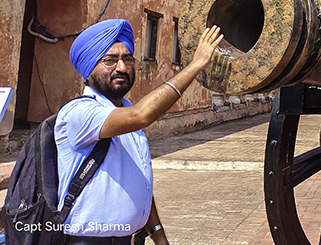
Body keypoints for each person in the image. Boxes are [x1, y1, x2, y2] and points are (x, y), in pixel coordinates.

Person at [56, 19, 223, 245]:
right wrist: (195, 65)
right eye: (110, 60)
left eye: (127, 59)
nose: (122, 68)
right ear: (88, 70)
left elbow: (138, 179)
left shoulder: (127, 114)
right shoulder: (79, 112)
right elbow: (143, 115)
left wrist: (158, 233)